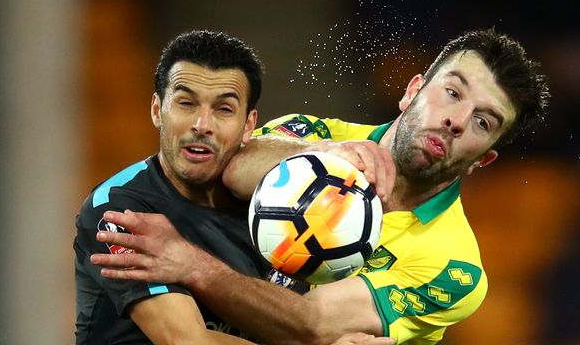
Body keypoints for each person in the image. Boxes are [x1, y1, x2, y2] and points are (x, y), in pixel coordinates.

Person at [90, 28, 550, 345]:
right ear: (413, 89)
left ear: (484, 159)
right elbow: (234, 167)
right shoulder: (314, 131)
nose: (455, 120)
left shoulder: (455, 269)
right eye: (452, 91)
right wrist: (324, 157)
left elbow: (313, 324)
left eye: (482, 121)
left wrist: (190, 265)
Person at [73, 30, 391, 345]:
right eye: (186, 103)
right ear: (158, 110)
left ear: (248, 126)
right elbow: (186, 340)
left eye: (223, 109)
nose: (202, 125)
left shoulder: (287, 206)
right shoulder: (119, 208)